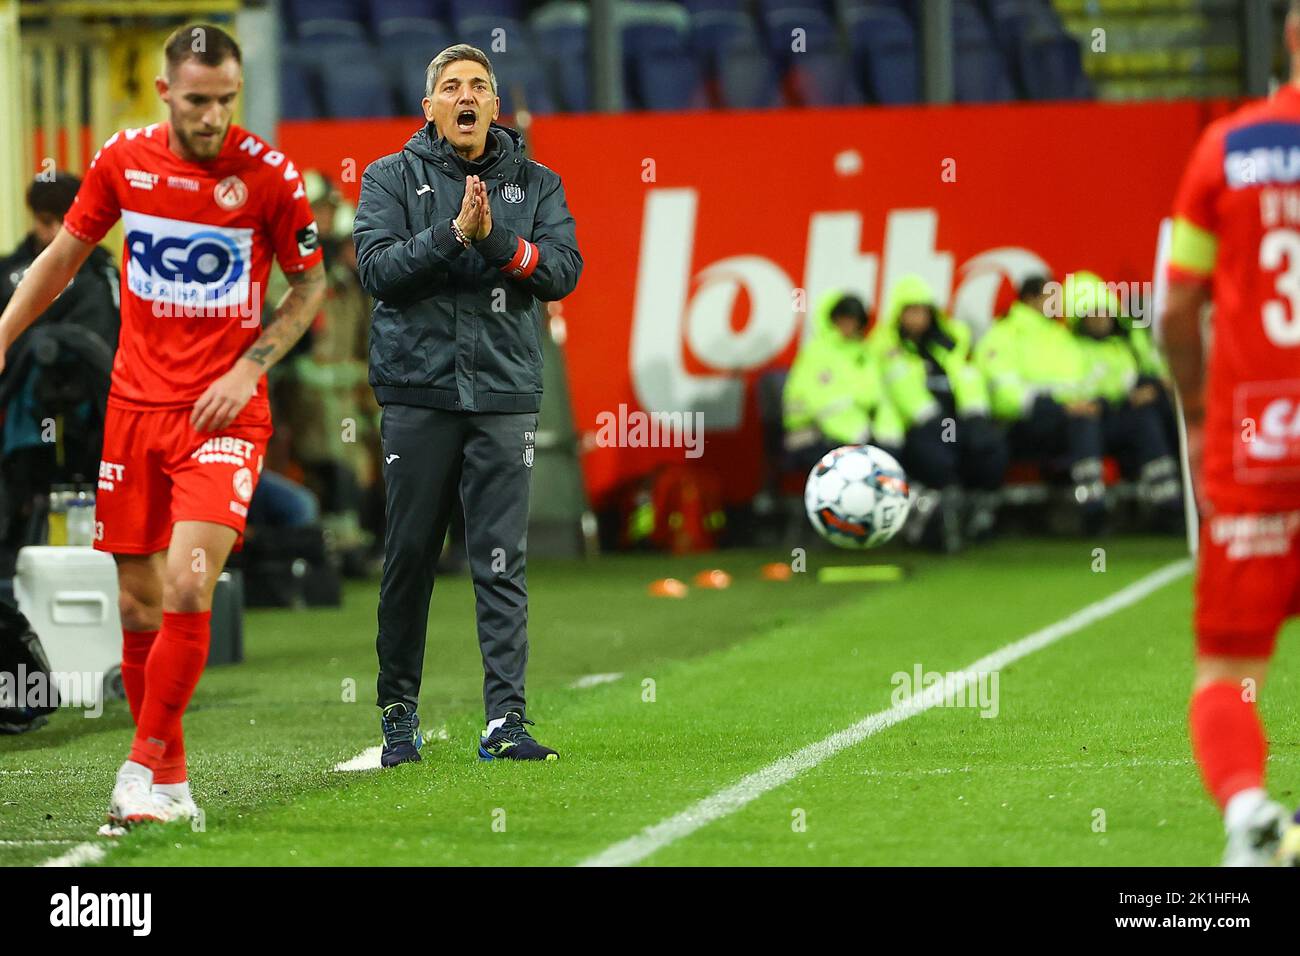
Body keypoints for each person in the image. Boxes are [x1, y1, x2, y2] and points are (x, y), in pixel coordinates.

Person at [0, 24, 326, 828]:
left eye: (226, 100)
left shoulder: (269, 177)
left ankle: (138, 768)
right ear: (164, 93)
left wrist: (250, 365)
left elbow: (309, 287)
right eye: (197, 101)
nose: (213, 117)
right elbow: (61, 260)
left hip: (225, 413)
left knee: (187, 582)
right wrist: (2, 334)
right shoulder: (123, 161)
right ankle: (172, 784)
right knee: (141, 604)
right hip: (134, 410)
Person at [353, 44, 582, 766]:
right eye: (450, 86)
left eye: (478, 86)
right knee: (412, 555)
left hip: (504, 393)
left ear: (493, 105)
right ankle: (398, 716)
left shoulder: (538, 182)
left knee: (499, 560)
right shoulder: (388, 177)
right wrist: (454, 235)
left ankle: (505, 722)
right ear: (429, 107)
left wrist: (497, 243)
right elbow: (378, 272)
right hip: (418, 391)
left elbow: (562, 271)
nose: (465, 96)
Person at [1163, 0, 1300, 866]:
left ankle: (1248, 815)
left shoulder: (1227, 149)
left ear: (1290, 36)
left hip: (1257, 444)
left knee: (1227, 669)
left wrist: (1194, 414)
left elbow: (1177, 306)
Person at [0, 173, 120, 553]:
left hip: (88, 415)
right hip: (16, 412)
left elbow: (106, 348)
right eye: (44, 221)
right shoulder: (7, 275)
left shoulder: (103, 276)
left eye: (60, 222)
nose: (51, 233)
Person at [870, 275, 1006, 551]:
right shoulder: (885, 346)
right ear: (899, 314)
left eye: (922, 310)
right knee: (938, 458)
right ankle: (943, 524)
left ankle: (978, 515)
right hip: (912, 425)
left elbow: (968, 377)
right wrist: (932, 418)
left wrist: (975, 415)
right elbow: (900, 389)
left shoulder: (947, 343)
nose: (917, 317)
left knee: (991, 446)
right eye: (911, 310)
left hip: (953, 419)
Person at [975, 275, 1107, 534]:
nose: (1057, 303)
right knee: (1081, 423)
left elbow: (1084, 381)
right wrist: (1059, 408)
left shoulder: (1062, 336)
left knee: (1096, 419)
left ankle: (1094, 508)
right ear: (1031, 298)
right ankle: (1092, 509)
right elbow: (1003, 397)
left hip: (1067, 423)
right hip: (1019, 426)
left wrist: (1092, 402)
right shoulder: (1002, 335)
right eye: (1050, 296)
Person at [1065, 271, 1183, 532]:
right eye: (1091, 313)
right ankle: (1092, 510)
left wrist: (1152, 387)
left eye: (1102, 310)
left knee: (1147, 419)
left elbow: (1160, 373)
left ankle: (1169, 505)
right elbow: (1081, 390)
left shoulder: (1130, 341)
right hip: (1092, 418)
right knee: (1085, 422)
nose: (1099, 318)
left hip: (1128, 414)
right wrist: (1126, 394)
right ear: (1080, 319)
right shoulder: (1072, 348)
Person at [782, 291, 902, 475]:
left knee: (890, 453)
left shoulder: (865, 354)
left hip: (861, 434)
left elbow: (879, 397)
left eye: (854, 320)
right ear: (833, 320)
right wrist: (853, 430)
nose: (848, 326)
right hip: (813, 433)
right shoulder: (816, 352)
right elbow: (813, 401)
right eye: (844, 319)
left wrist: (888, 432)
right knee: (857, 463)